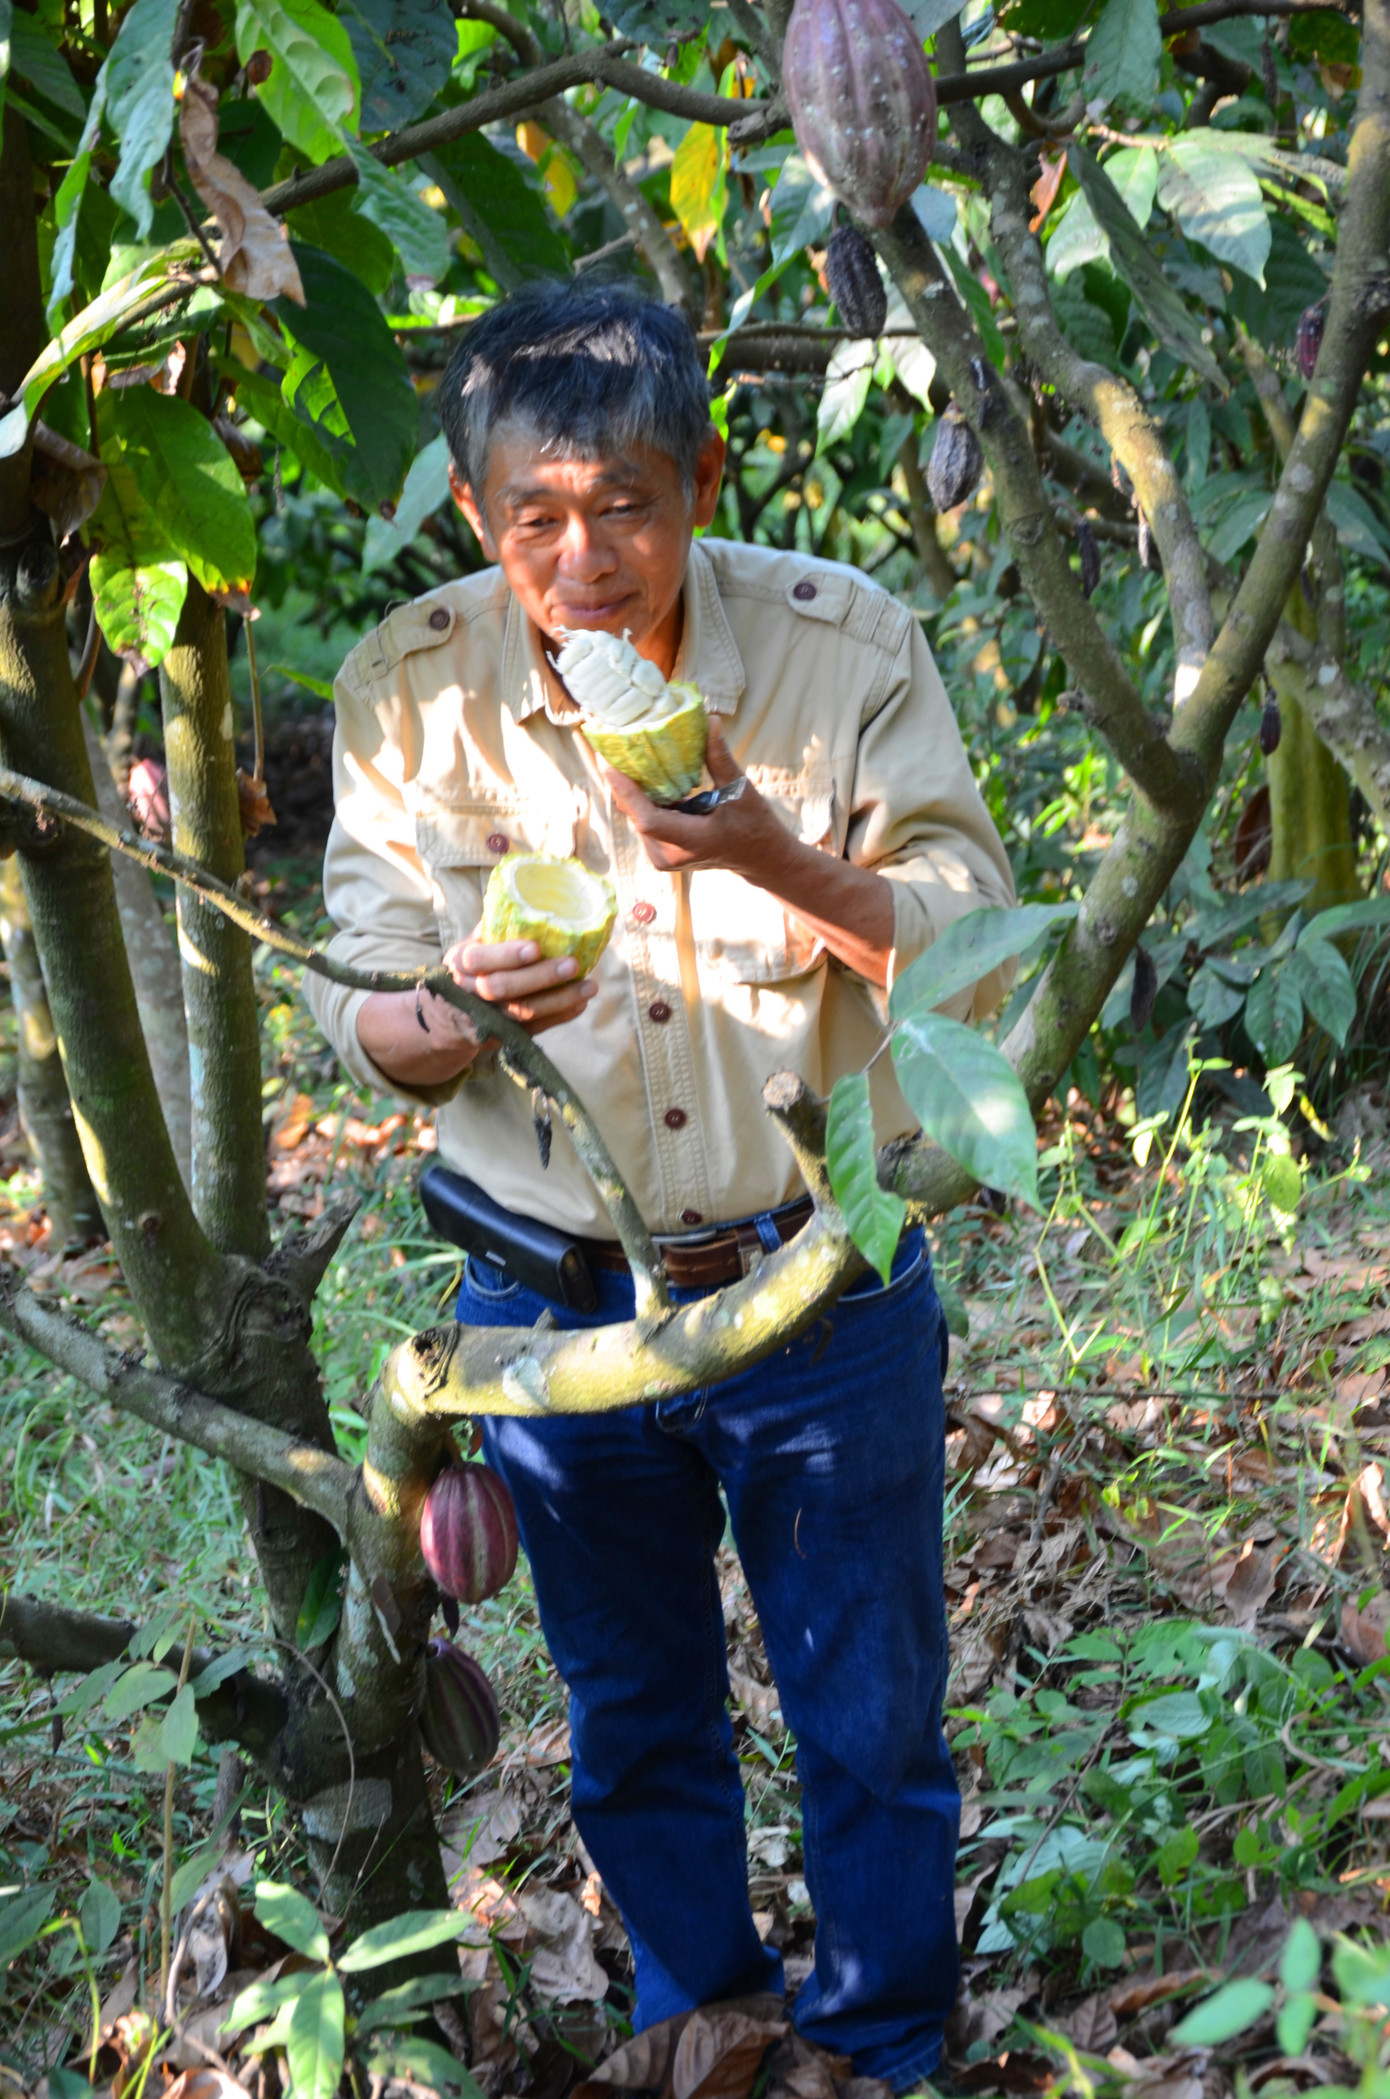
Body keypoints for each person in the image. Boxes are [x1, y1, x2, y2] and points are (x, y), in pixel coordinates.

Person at [304, 280, 1015, 2092]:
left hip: (815, 1276)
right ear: (475, 515)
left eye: (623, 504)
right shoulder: (407, 686)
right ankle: (700, 2023)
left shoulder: (838, 643)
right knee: (632, 1714)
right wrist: (445, 1015)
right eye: (532, 517)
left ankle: (877, 2046)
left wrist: (774, 852)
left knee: (866, 1716)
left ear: (702, 477)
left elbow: (977, 948)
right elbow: (353, 992)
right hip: (545, 1299)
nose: (582, 558)